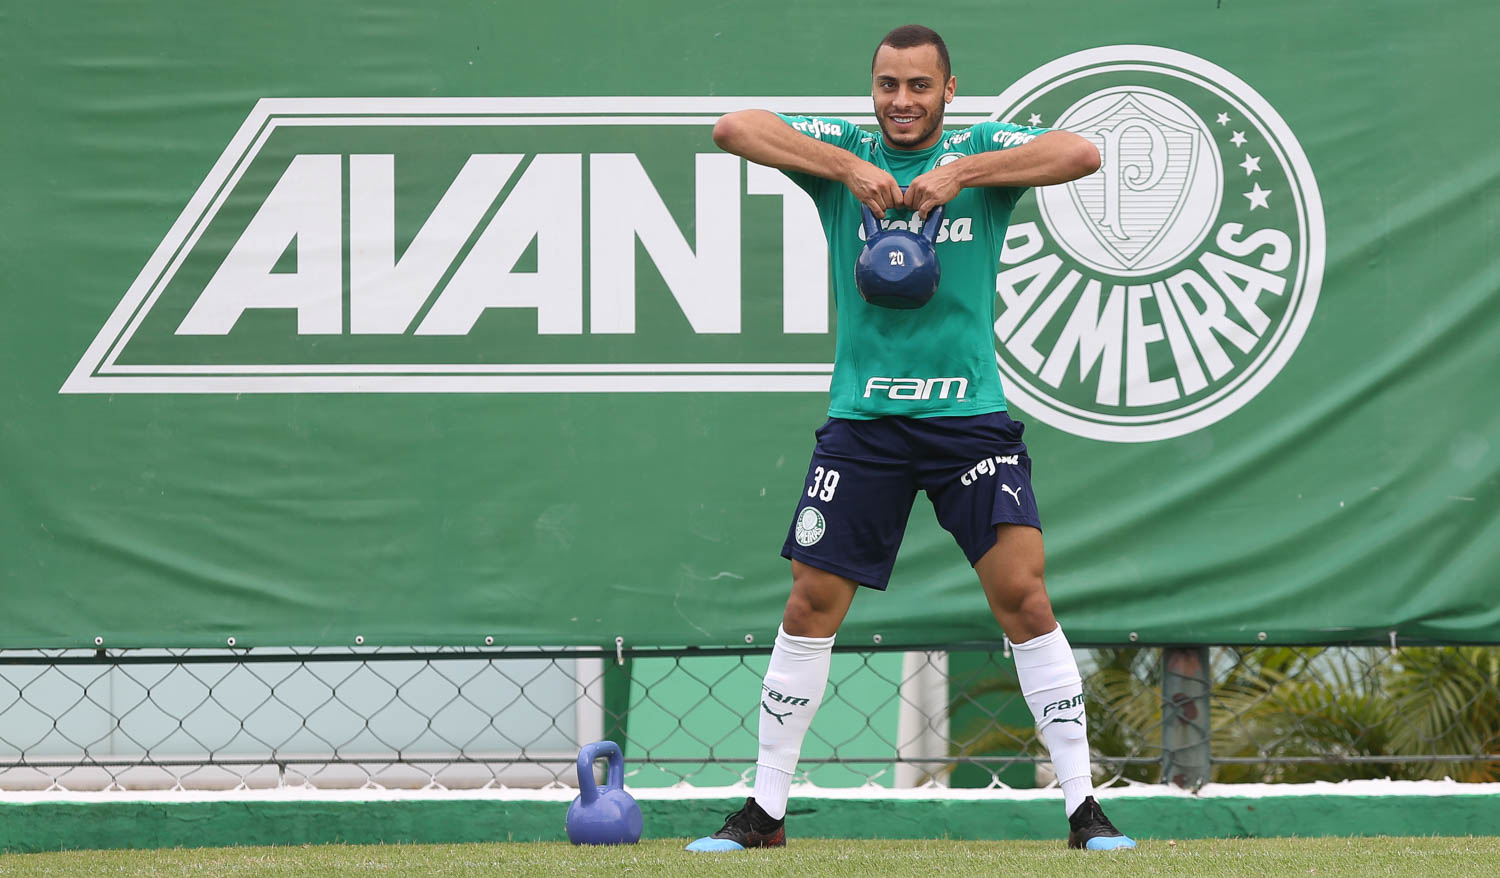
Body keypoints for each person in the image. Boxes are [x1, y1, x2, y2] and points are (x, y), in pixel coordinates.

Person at [685, 25, 1135, 853]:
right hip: (865, 424)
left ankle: (1085, 811)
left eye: (919, 86)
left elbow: (1081, 153)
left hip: (969, 420)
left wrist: (960, 174)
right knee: (809, 604)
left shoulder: (981, 155)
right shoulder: (843, 156)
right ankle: (765, 813)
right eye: (888, 85)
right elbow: (732, 128)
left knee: (1026, 601)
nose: (901, 102)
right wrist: (846, 170)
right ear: (872, 89)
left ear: (948, 90)